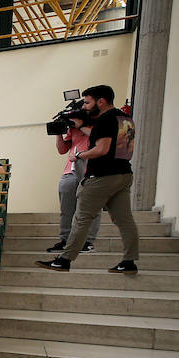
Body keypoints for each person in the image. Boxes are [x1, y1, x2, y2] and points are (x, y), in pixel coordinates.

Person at [38, 84, 140, 274]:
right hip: (124, 174)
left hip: (101, 176)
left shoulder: (104, 120)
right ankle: (129, 261)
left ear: (101, 101)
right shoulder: (125, 118)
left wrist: (80, 155)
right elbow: (122, 149)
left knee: (82, 218)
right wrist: (82, 127)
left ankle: (64, 259)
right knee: (125, 220)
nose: (84, 106)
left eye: (87, 102)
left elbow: (101, 149)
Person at [48, 108, 101, 252]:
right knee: (66, 209)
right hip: (70, 171)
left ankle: (88, 241)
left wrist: (81, 126)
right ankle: (65, 239)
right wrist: (58, 132)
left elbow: (99, 139)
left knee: (90, 209)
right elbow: (62, 150)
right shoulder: (72, 130)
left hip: (91, 171)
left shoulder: (98, 125)